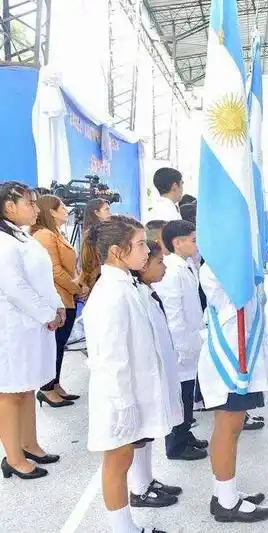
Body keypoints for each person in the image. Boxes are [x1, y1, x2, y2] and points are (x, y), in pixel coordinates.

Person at [82, 215, 175, 533]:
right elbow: (110, 359)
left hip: (128, 392)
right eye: (138, 245)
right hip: (117, 397)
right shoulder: (111, 294)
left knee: (122, 458)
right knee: (117, 461)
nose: (146, 251)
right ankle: (122, 528)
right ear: (115, 252)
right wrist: (123, 404)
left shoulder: (127, 285)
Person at [198, 261, 268, 522]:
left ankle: (224, 492)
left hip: (241, 357)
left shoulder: (227, 263)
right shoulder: (217, 268)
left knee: (233, 427)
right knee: (228, 429)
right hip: (230, 359)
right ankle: (227, 503)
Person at [0, 182, 64, 481]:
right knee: (11, 393)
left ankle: (30, 444)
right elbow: (14, 288)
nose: (36, 209)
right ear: (9, 206)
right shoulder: (3, 241)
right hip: (13, 327)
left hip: (32, 323)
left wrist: (56, 308)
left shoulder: (21, 237)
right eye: (30, 203)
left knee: (25, 388)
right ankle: (13, 458)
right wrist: (46, 313)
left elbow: (42, 279)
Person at [128, 240, 184, 508]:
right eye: (159, 262)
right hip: (139, 377)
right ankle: (139, 489)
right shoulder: (132, 294)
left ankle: (148, 480)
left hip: (155, 371)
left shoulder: (145, 290)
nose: (164, 267)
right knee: (139, 433)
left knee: (148, 431)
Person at [154, 220, 208, 461]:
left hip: (190, 338)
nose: (197, 244)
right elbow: (173, 313)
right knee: (179, 396)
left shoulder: (185, 265)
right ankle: (176, 445)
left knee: (187, 393)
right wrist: (182, 347)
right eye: (193, 240)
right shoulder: (172, 270)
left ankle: (185, 434)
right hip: (180, 343)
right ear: (177, 243)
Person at [31, 195, 85, 407]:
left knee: (60, 344)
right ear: (51, 211)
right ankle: (46, 388)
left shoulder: (55, 233)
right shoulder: (44, 235)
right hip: (59, 295)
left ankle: (55, 384)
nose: (66, 209)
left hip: (67, 294)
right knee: (54, 344)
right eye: (61, 206)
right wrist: (77, 288)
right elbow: (55, 270)